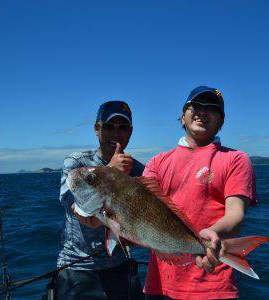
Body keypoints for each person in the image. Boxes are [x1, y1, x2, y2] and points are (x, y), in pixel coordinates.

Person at [142, 86, 257, 299]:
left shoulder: (236, 159)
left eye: (212, 109)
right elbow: (140, 208)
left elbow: (236, 214)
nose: (202, 111)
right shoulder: (157, 163)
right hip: (159, 284)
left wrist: (212, 234)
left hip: (212, 284)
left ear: (221, 122)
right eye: (195, 106)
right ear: (182, 117)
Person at [55, 100, 145, 299]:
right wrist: (110, 171)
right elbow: (71, 203)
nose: (116, 132)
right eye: (109, 126)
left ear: (130, 131)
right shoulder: (78, 163)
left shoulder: (138, 171)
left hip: (120, 265)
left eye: (123, 127)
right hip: (77, 267)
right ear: (97, 128)